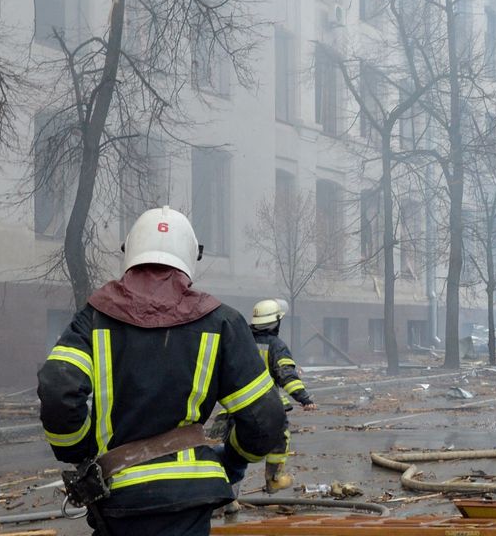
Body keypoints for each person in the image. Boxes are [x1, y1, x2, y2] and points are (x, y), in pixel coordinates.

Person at [38, 206, 286, 536]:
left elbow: (58, 390)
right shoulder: (221, 322)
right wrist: (234, 460)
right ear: (190, 255)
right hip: (190, 503)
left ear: (130, 251)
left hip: (118, 499)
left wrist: (80, 454)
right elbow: (265, 418)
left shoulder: (94, 318)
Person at [245, 298, 316, 491]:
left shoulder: (242, 341)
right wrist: (304, 398)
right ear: (276, 322)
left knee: (236, 448)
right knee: (280, 437)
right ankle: (273, 479)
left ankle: (229, 495)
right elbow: (287, 376)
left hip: (238, 404)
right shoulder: (276, 346)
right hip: (266, 404)